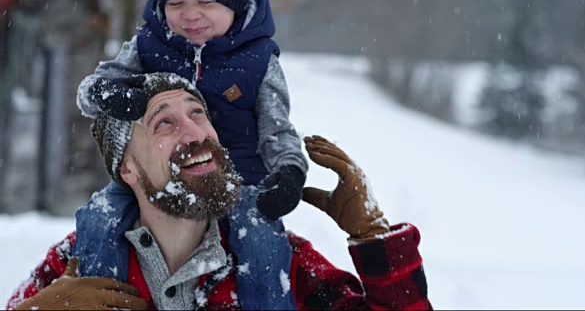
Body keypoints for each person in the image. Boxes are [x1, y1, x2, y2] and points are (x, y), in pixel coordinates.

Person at [7, 73, 433, 310]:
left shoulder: (284, 263)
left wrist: (374, 239)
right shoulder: (76, 266)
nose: (196, 133)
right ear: (128, 169)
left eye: (198, 114)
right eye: (164, 123)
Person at [74, 0, 307, 308]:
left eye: (206, 1)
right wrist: (110, 95)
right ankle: (98, 299)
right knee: (98, 219)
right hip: (159, 177)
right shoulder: (147, 45)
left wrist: (290, 170)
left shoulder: (259, 61)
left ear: (235, 3)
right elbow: (89, 92)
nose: (190, 14)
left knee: (261, 244)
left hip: (240, 180)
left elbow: (278, 130)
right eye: (176, 1)